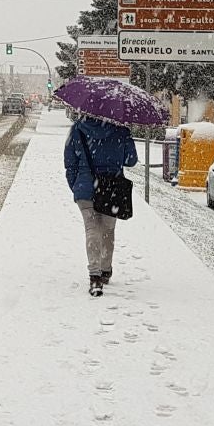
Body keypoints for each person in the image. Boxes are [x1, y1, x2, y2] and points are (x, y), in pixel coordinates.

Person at [63, 110, 138, 296]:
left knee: (91, 229)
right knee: (107, 231)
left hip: (85, 187)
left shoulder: (77, 129)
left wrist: (77, 185)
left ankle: (94, 276)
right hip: (111, 188)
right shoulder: (121, 130)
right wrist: (125, 140)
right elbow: (131, 161)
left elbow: (69, 162)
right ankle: (105, 270)